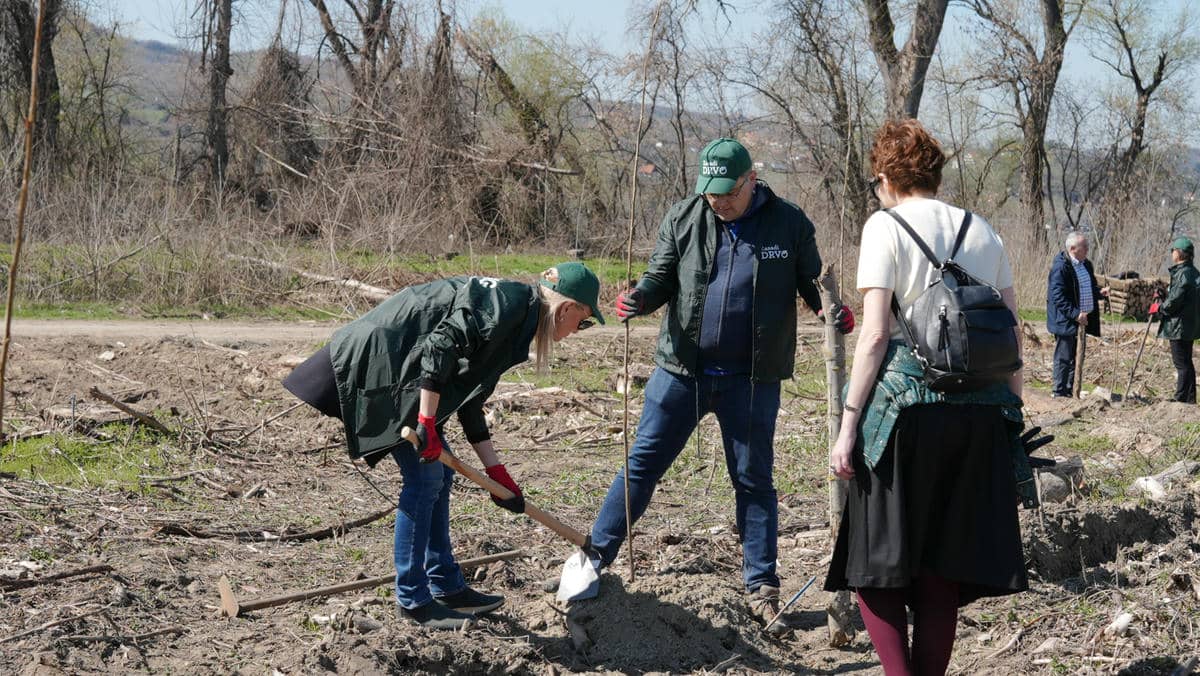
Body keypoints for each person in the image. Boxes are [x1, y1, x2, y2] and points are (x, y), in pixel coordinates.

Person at [589, 137, 854, 633]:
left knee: (753, 480)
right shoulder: (684, 216)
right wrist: (639, 300)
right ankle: (592, 560)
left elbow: (812, 283)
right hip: (680, 374)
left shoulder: (789, 223)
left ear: (750, 180)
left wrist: (830, 311)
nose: (718, 202)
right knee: (641, 466)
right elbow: (660, 278)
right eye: (710, 193)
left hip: (752, 381)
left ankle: (762, 585)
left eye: (727, 194)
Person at [282, 263, 604, 629]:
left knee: (438, 479)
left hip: (406, 372)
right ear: (566, 308)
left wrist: (497, 473)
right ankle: (414, 602)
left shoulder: (518, 318)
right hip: (381, 364)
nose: (579, 330)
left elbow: (469, 400)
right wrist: (425, 423)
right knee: (425, 481)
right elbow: (439, 347)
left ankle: (446, 586)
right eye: (584, 321)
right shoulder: (508, 307)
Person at [824, 119, 1036, 675]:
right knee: (942, 569)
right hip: (980, 417)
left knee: (875, 565)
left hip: (904, 418)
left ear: (885, 177)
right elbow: (1012, 334)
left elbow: (873, 336)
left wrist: (848, 428)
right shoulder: (984, 230)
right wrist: (1012, 417)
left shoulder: (884, 226)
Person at [1046, 232, 1109, 397]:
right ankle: (1059, 392)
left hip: (1082, 320)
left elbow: (1087, 287)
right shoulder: (1061, 267)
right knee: (1064, 357)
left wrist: (1100, 292)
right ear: (1073, 248)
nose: (1088, 249)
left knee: (1076, 356)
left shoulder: (1086, 264)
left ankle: (1071, 390)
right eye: (1084, 247)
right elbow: (1058, 296)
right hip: (1066, 320)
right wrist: (1075, 314)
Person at [1150, 237, 1199, 403]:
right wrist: (1165, 295)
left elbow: (1175, 301)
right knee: (1186, 362)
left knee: (1181, 364)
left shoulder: (1183, 274)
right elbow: (1180, 296)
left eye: (1173, 250)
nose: (1172, 253)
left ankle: (1180, 399)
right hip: (1188, 325)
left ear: (1179, 253)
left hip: (1178, 325)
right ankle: (1190, 399)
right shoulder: (1193, 272)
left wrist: (1160, 307)